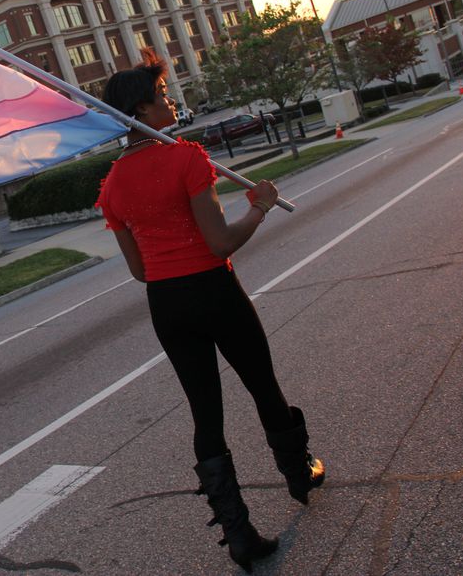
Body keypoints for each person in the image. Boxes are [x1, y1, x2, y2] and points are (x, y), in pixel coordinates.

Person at [96, 51, 325, 574]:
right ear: (142, 110)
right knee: (262, 386)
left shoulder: (111, 187)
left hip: (167, 304)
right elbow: (220, 241)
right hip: (213, 291)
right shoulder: (186, 157)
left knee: (206, 413)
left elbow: (140, 271)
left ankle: (238, 534)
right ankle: (299, 472)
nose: (170, 101)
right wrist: (260, 206)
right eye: (163, 96)